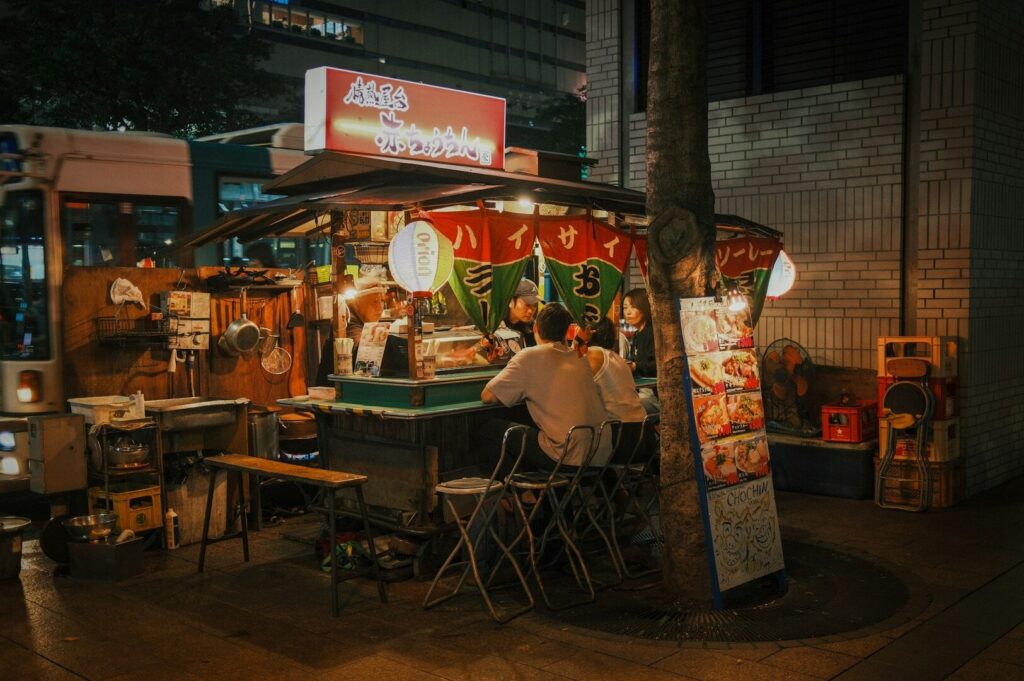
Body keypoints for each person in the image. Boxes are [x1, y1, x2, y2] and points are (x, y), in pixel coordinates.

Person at [481, 302, 612, 470]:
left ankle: (524, 494)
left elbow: (488, 396)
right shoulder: (579, 357)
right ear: (566, 332)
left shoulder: (528, 356)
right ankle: (541, 493)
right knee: (530, 430)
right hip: (601, 453)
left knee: (488, 429)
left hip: (567, 456)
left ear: (536, 327)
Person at [314, 269, 387, 384]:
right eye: (374, 301)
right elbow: (360, 348)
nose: (380, 307)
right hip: (332, 390)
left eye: (382, 301)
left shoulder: (363, 320)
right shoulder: (347, 319)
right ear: (357, 302)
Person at [623, 288, 656, 377]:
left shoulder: (653, 332)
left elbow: (657, 365)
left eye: (633, 307)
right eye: (625, 308)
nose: (628, 312)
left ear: (644, 307)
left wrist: (634, 366)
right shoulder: (636, 334)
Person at [502, 278, 540, 348]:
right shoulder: (496, 325)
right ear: (511, 301)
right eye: (527, 305)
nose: (530, 311)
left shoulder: (533, 328)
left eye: (534, 305)